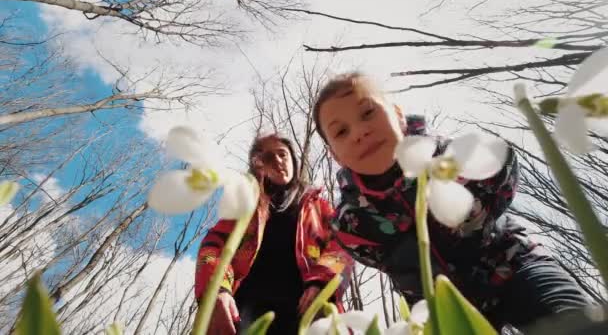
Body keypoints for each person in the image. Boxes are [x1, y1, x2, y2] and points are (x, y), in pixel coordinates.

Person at [312, 72, 590, 330]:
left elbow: (502, 172)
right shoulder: (352, 222)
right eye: (341, 132)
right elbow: (390, 267)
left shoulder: (449, 156)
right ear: (335, 155)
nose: (360, 132)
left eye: (368, 112)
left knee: (572, 322)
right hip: (438, 303)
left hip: (512, 265)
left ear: (398, 115)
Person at [194, 133, 353, 335]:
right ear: (258, 166)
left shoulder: (319, 207)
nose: (278, 160)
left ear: (293, 161)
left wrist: (321, 284)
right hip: (247, 311)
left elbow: (341, 247)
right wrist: (218, 290)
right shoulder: (244, 209)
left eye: (282, 154)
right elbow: (213, 246)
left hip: (310, 309)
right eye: (269, 157)